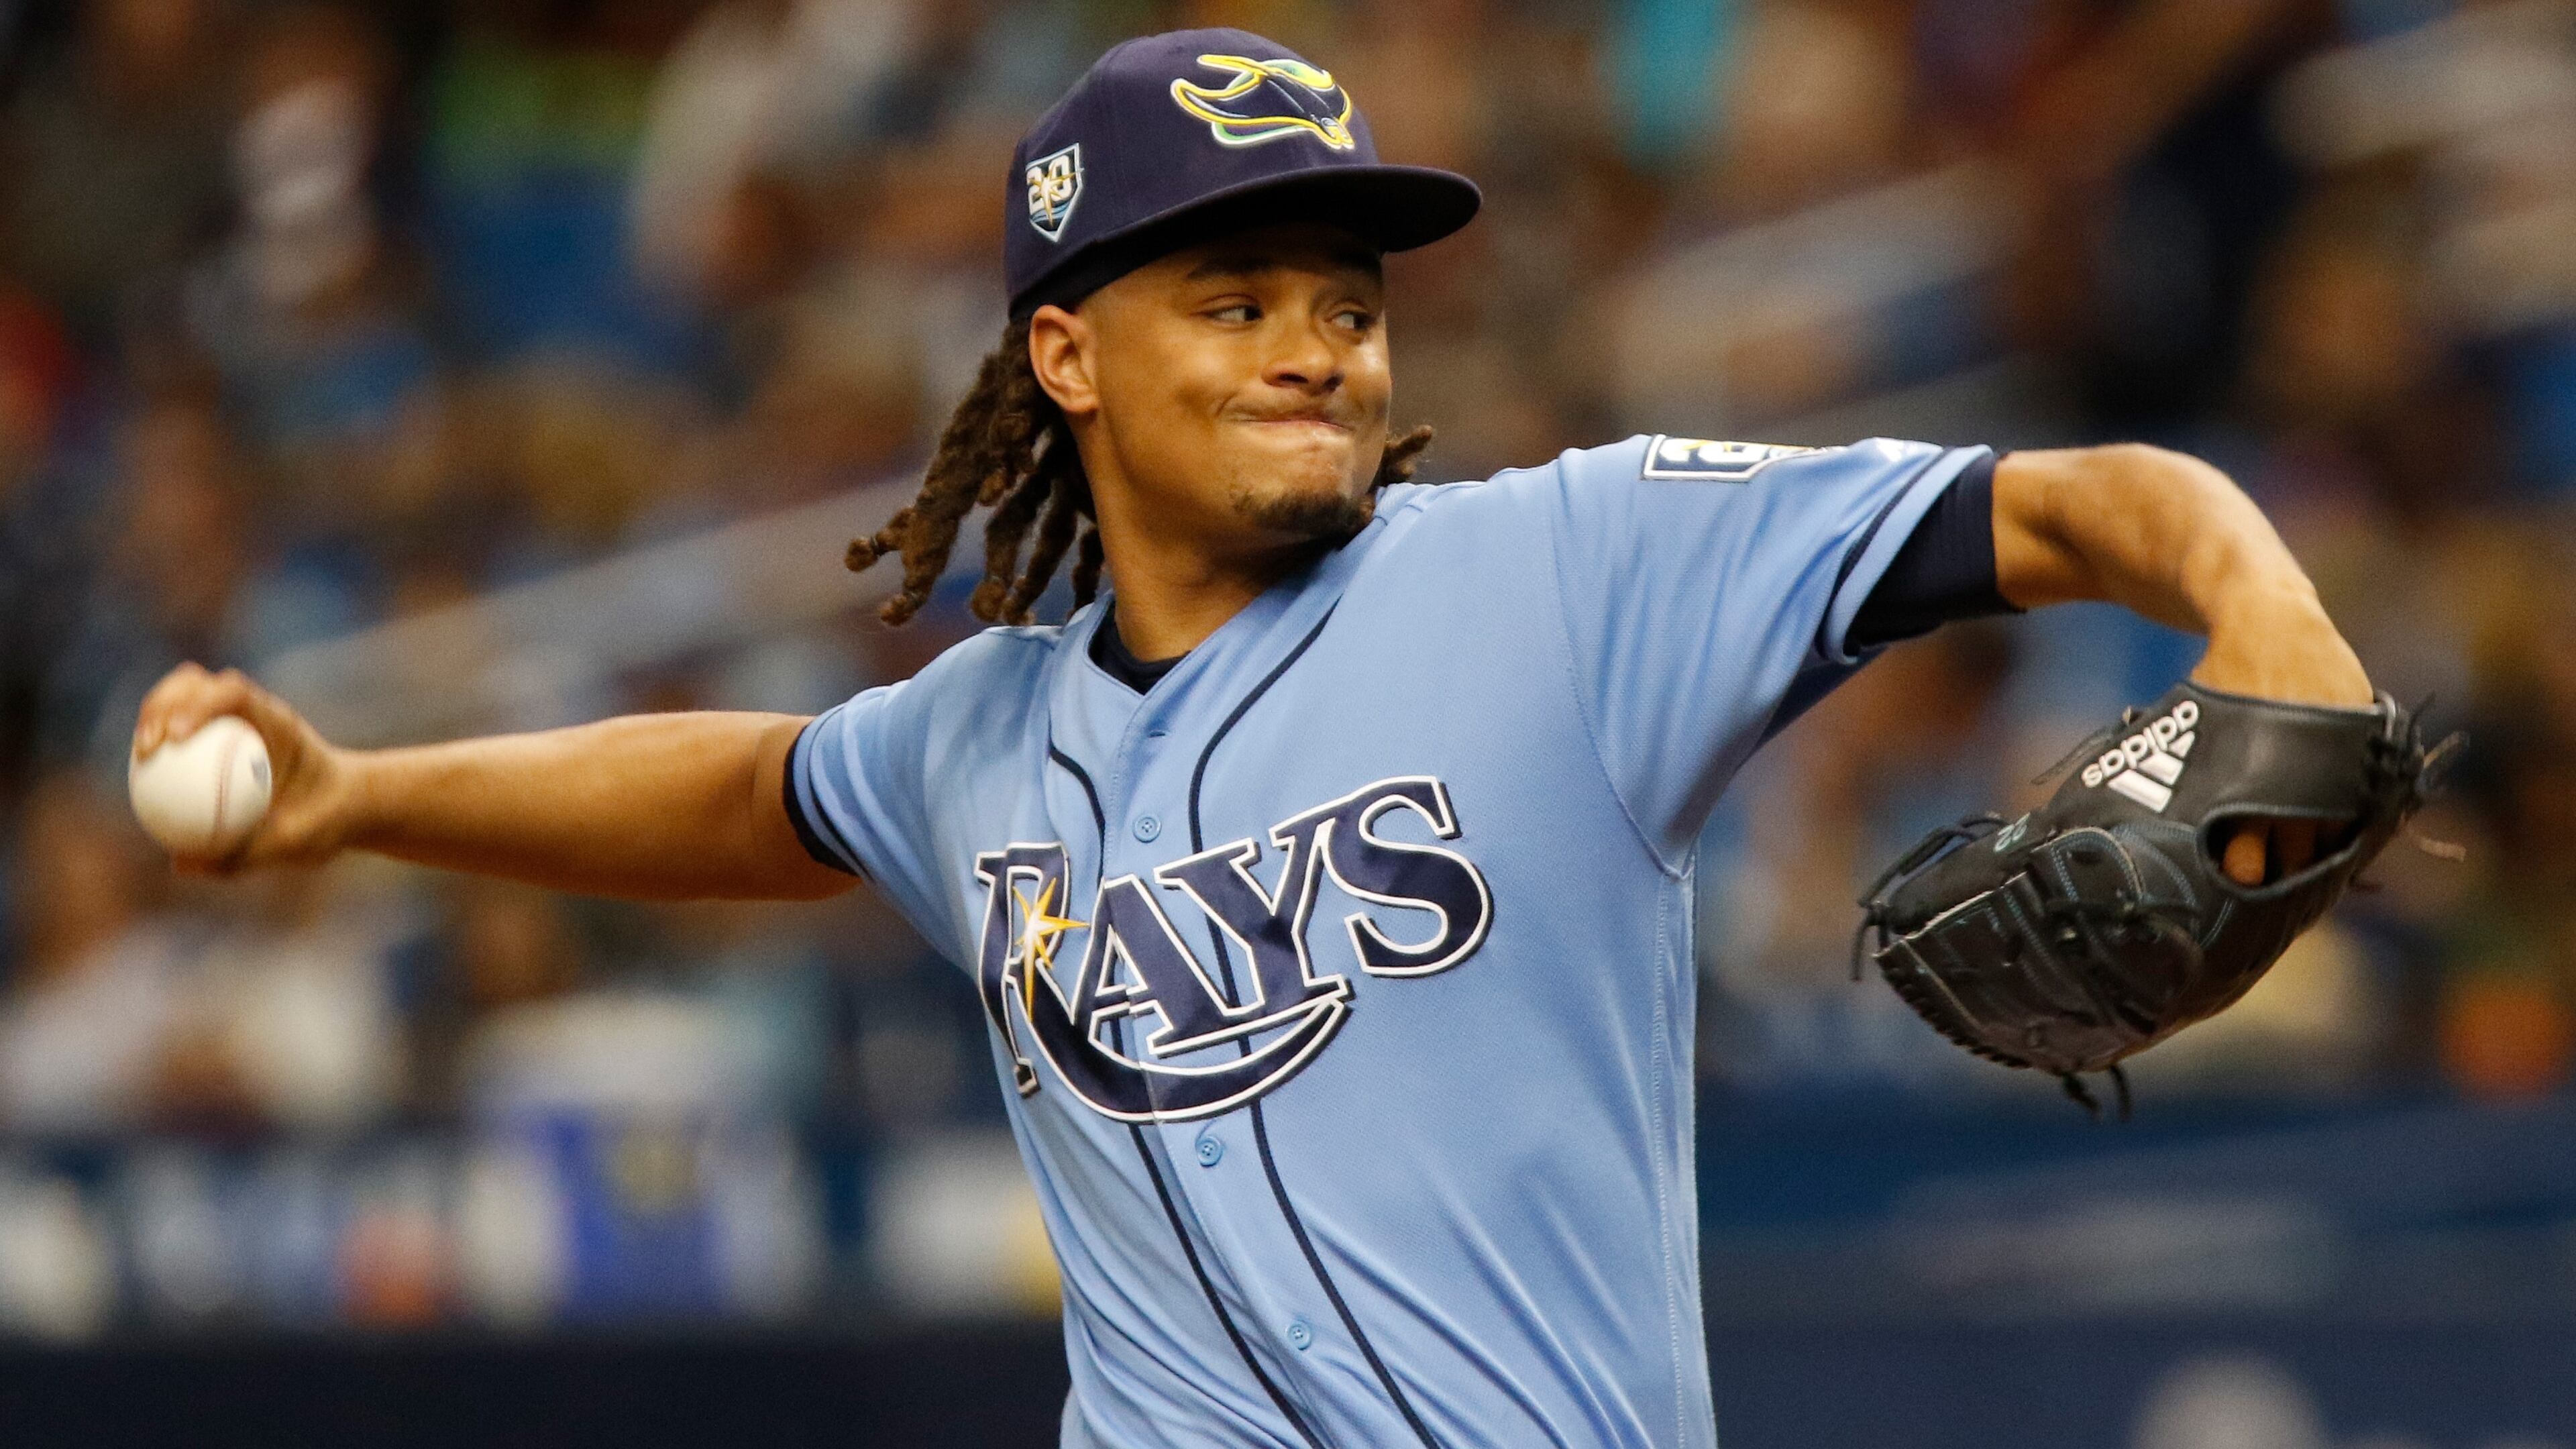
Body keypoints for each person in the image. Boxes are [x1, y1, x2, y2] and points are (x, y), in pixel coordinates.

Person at [135, 29, 2373, 1448]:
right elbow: (748, 788)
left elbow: (2080, 505)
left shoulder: (1575, 573)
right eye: (1234, 300)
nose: (1315, 348)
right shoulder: (977, 740)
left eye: (1349, 302)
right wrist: (355, 797)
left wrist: (2267, 620)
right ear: (1070, 359)